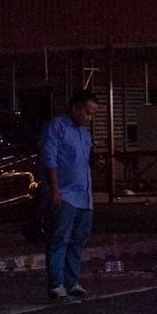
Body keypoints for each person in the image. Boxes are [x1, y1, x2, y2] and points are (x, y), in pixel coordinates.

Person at [42, 89, 98, 300]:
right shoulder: (57, 127)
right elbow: (50, 158)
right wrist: (55, 190)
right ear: (75, 107)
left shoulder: (84, 133)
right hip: (65, 193)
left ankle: (71, 281)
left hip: (84, 195)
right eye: (87, 111)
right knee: (59, 238)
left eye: (92, 113)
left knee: (78, 240)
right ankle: (56, 284)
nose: (89, 117)